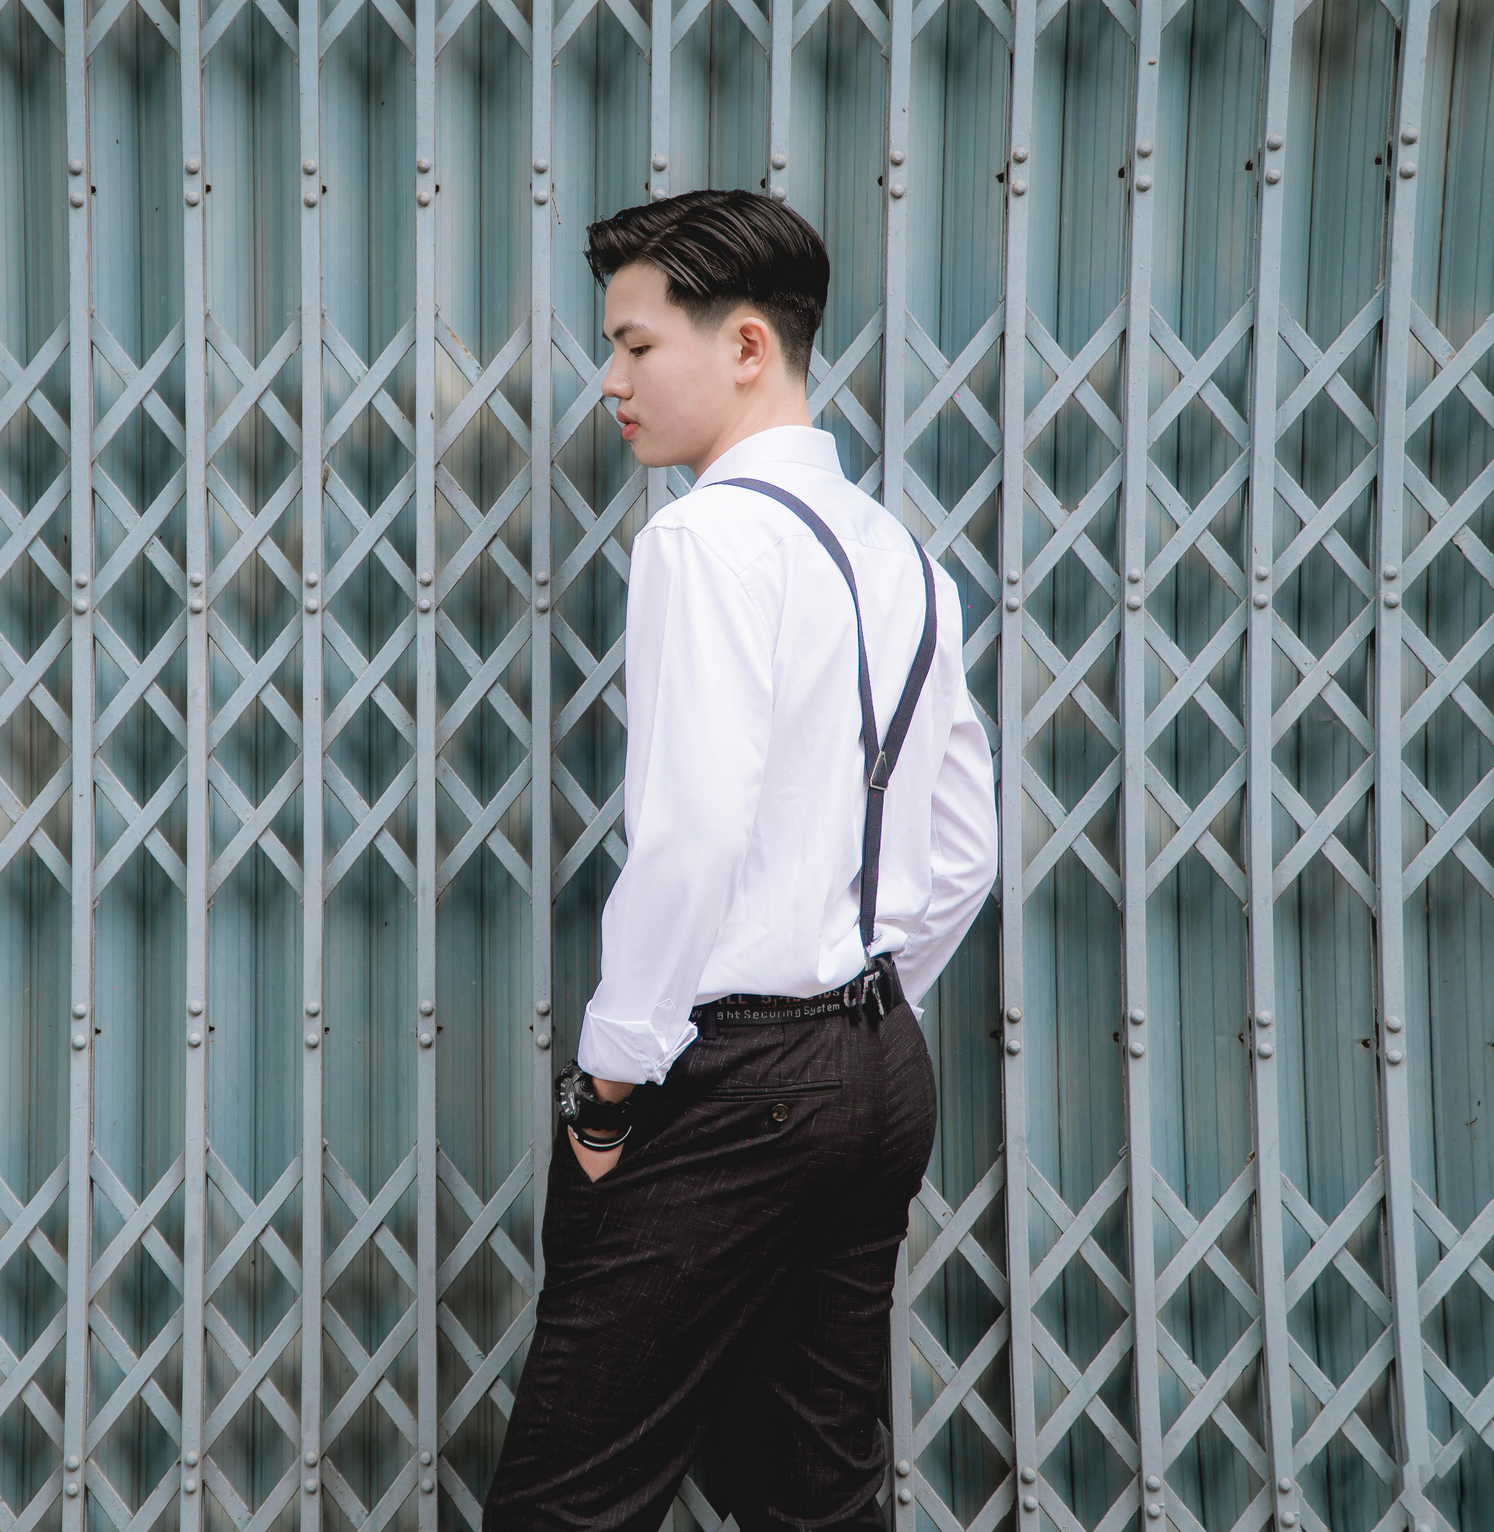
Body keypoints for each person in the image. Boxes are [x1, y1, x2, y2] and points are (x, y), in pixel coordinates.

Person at [483, 190, 999, 1532]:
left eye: (638, 347)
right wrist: (856, 1012)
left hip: (733, 1080)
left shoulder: (705, 540)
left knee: (570, 1497)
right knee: (814, 1495)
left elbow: (696, 828)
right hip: (875, 1075)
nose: (611, 382)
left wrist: (610, 1081)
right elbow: (960, 849)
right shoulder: (900, 556)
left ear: (749, 347)